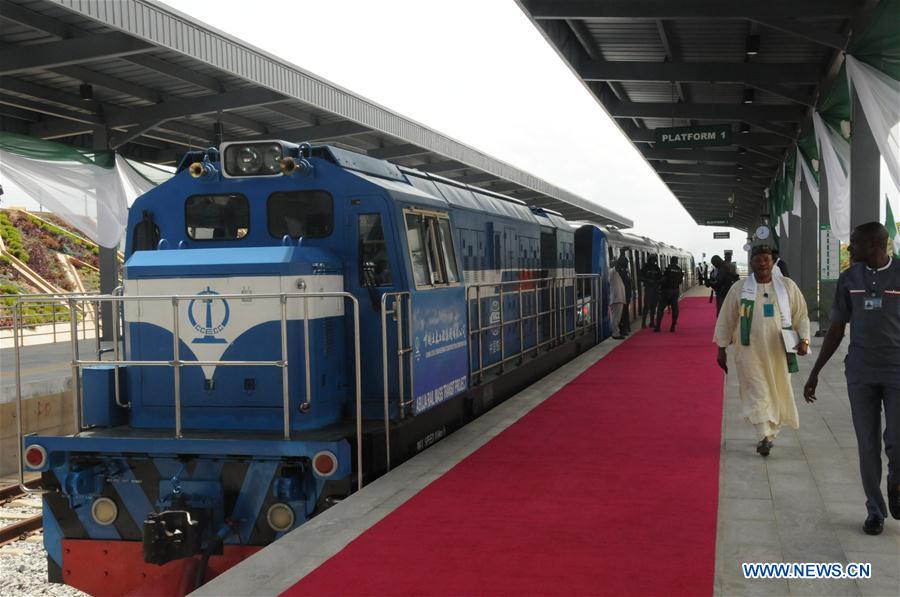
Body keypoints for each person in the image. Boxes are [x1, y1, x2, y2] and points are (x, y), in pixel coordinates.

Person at [803, 222, 899, 536]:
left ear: (874, 244)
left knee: (895, 443)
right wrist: (815, 371)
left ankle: (896, 482)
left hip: (897, 371)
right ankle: (875, 510)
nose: (850, 248)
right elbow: (835, 330)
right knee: (867, 444)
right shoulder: (849, 279)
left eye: (854, 243)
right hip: (860, 372)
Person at [714, 245, 810, 456]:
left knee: (777, 389)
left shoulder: (787, 286)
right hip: (749, 352)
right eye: (758, 260)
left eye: (766, 259)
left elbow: (801, 314)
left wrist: (804, 339)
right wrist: (721, 348)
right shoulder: (739, 289)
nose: (762, 264)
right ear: (751, 263)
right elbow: (726, 319)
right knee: (757, 390)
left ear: (772, 262)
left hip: (779, 351)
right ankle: (763, 435)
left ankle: (771, 430)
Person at [654, 256, 684, 333]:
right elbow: (680, 281)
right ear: (677, 261)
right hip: (676, 290)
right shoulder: (679, 270)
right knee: (675, 308)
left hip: (666, 290)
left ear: (670, 261)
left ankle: (658, 326)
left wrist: (657, 283)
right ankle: (673, 326)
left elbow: (664, 279)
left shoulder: (668, 269)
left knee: (661, 308)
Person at [638, 255, 663, 328]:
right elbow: (640, 277)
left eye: (654, 260)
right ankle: (643, 323)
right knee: (646, 306)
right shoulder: (645, 267)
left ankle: (652, 322)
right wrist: (647, 280)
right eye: (652, 260)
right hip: (648, 288)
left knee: (654, 306)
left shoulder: (656, 268)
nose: (653, 261)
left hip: (655, 288)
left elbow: (660, 277)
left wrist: (659, 282)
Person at [615, 255, 632, 337]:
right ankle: (626, 328)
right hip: (626, 295)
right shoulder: (626, 272)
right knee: (625, 313)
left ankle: (623, 329)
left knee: (622, 314)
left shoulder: (618, 272)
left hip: (622, 295)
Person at [609, 263, 627, 340]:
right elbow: (616, 267)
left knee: (617, 317)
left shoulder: (617, 274)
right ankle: (615, 333)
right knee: (615, 318)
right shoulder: (612, 272)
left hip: (618, 299)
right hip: (616, 299)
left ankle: (617, 332)